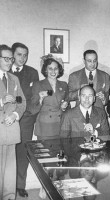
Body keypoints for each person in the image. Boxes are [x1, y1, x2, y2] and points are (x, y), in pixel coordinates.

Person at [9, 42, 39, 197]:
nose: (23, 58)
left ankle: (20, 185)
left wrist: (29, 113)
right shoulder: (4, 71)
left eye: (25, 55)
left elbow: (34, 97)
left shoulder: (32, 72)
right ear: (13, 55)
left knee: (22, 152)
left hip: (26, 119)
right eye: (19, 54)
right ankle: (7, 185)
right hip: (7, 119)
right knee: (7, 152)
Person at [0, 45, 26, 200]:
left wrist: (15, 115)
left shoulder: (14, 79)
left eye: (11, 58)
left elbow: (22, 102)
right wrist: (1, 102)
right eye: (6, 58)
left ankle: (9, 197)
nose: (10, 62)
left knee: (10, 169)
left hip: (11, 130)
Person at [30, 54, 69, 140]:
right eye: (50, 68)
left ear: (59, 70)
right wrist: (40, 99)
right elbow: (32, 109)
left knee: (60, 152)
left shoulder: (64, 85)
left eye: (56, 68)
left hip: (60, 125)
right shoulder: (38, 85)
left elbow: (67, 106)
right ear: (45, 70)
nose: (53, 71)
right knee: (45, 152)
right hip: (45, 126)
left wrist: (64, 107)